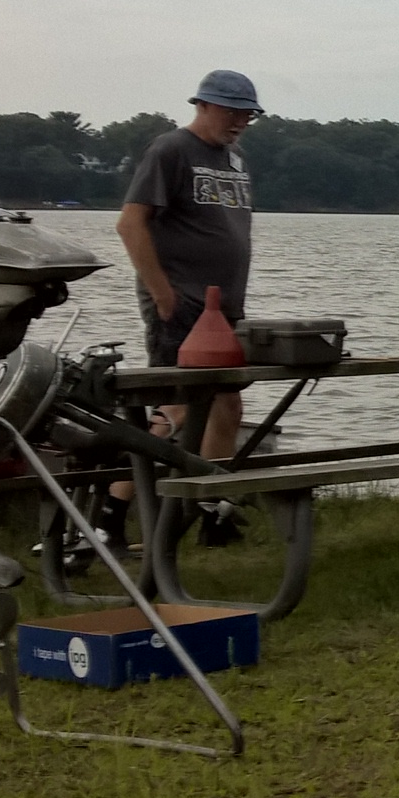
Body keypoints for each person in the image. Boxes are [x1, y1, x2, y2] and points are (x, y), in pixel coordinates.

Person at [106, 70, 261, 546]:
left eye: (248, 115)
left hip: (223, 307)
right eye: (231, 112)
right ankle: (109, 516)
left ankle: (212, 511)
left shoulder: (235, 157)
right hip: (181, 303)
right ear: (203, 105)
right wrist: (161, 293)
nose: (239, 122)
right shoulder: (170, 150)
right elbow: (130, 224)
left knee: (226, 405)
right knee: (174, 405)